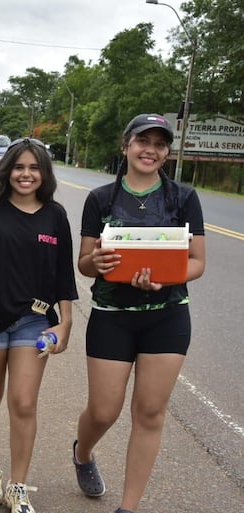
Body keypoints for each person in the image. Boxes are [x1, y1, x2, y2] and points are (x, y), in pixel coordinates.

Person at [72, 114, 205, 513]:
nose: (151, 150)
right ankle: (83, 453)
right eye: (142, 141)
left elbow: (197, 261)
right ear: (126, 145)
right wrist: (96, 260)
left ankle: (128, 508)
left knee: (149, 411)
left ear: (167, 152)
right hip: (112, 314)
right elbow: (84, 263)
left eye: (160, 144)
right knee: (103, 410)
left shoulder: (183, 198)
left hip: (167, 315)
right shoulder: (101, 199)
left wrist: (168, 278)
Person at [0, 137, 78, 513]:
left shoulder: (55, 215)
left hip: (34, 321)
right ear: (6, 170)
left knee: (23, 402)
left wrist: (66, 324)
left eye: (34, 168)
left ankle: (18, 484)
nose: (26, 175)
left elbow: (63, 276)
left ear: (44, 173)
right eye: (19, 167)